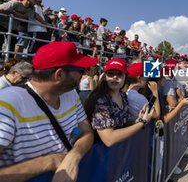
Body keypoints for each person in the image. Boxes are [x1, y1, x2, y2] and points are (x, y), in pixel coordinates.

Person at [0, 41, 97, 182]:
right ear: (59, 75)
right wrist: (49, 162)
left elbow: (86, 132)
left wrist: (73, 157)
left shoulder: (71, 94)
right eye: (81, 70)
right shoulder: (8, 103)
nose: (84, 74)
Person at [84, 58, 154, 147]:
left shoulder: (123, 96)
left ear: (125, 77)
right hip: (100, 156)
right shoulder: (99, 100)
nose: (115, 77)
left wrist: (138, 119)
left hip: (118, 154)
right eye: (110, 74)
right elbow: (109, 139)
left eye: (119, 74)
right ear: (105, 76)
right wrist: (141, 123)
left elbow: (123, 122)